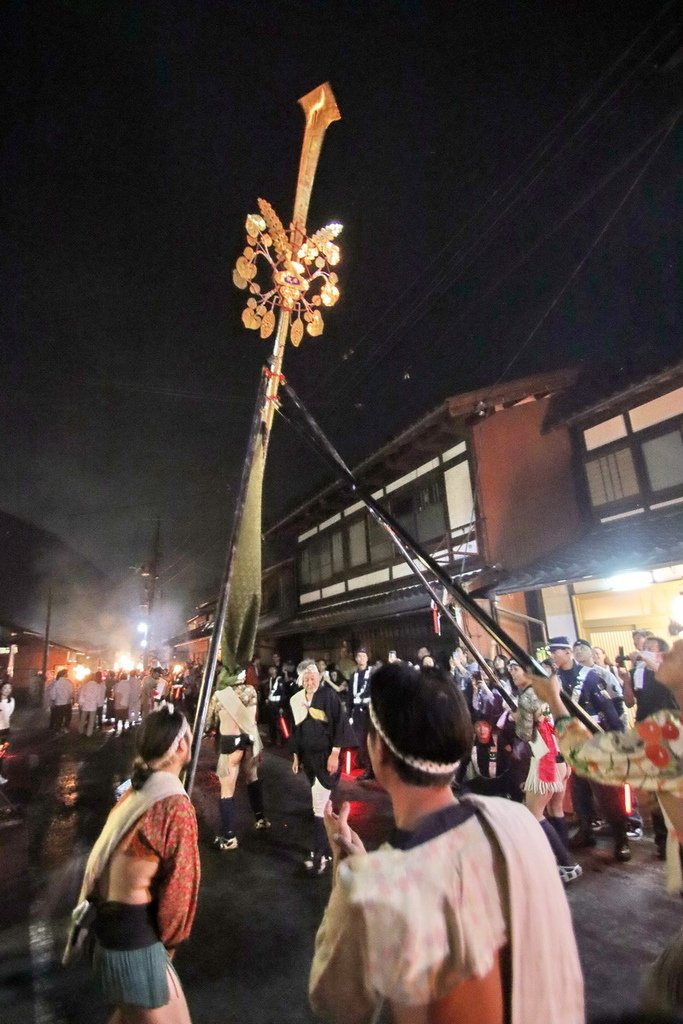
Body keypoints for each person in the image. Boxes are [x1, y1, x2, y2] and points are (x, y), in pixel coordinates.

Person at [309, 663, 584, 1024]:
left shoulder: (373, 886)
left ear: (378, 751)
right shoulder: (520, 821)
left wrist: (350, 878)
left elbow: (335, 1004)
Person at [65, 705, 200, 1023]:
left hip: (111, 934)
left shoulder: (135, 793)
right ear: (180, 746)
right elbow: (181, 889)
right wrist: (170, 945)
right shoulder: (173, 806)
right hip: (134, 945)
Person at [549, 636, 631, 861]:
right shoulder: (554, 680)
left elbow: (608, 709)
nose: (553, 656)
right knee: (579, 793)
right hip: (572, 745)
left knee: (607, 795)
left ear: (567, 652)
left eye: (556, 652)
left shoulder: (589, 677)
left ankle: (621, 838)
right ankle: (586, 830)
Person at [510, 661, 581, 884]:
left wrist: (516, 717)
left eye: (516, 668)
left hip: (545, 760)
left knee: (535, 813)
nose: (512, 673)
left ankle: (565, 861)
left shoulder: (528, 697)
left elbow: (523, 733)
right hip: (561, 759)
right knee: (555, 808)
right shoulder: (550, 693)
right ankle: (563, 856)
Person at [290, 661, 357, 873]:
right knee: (323, 806)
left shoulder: (328, 696)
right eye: (306, 679)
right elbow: (297, 731)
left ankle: (319, 856)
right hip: (308, 760)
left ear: (319, 678)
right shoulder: (298, 700)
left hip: (325, 758)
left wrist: (335, 755)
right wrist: (295, 757)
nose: (310, 682)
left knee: (318, 806)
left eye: (313, 678)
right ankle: (330, 847)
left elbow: (339, 724)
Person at [209, 667, 270, 851]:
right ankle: (260, 819)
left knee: (227, 790)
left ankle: (229, 837)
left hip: (230, 743)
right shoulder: (251, 691)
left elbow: (208, 723)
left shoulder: (219, 695)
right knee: (252, 777)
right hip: (251, 741)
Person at [348, 648, 373, 779]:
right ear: (356, 659)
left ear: (367, 658)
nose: (361, 658)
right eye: (359, 656)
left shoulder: (372, 673)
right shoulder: (354, 676)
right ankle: (366, 766)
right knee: (360, 740)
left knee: (370, 742)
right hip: (357, 713)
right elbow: (349, 697)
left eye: (364, 656)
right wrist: (348, 714)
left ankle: (370, 769)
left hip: (369, 712)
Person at [0, 681, 15, 784]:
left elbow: (8, 714)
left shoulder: (11, 701)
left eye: (10, 688)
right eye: (5, 688)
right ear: (1, 689)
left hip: (4, 731)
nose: (7, 690)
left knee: (1, 754)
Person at [54, 668, 74, 733]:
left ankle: (57, 729)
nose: (67, 674)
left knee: (59, 717)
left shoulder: (56, 683)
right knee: (67, 716)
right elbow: (71, 692)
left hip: (58, 703)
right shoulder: (69, 682)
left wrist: (55, 699)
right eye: (66, 673)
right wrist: (70, 698)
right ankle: (65, 728)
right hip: (67, 703)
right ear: (64, 674)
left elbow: (53, 693)